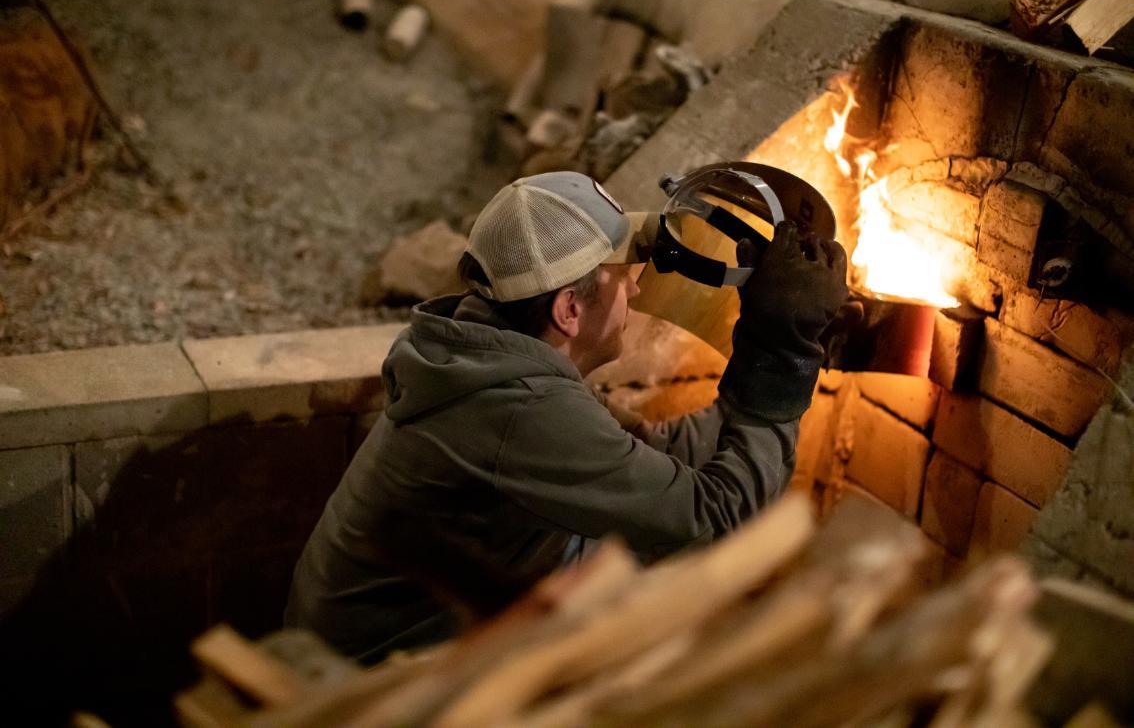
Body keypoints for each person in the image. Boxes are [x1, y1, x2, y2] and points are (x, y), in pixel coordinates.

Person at [284, 170, 848, 663]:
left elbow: (659, 458)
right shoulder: (520, 409)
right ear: (569, 310)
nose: (634, 284)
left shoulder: (489, 354)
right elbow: (718, 525)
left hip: (377, 644)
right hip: (378, 689)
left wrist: (760, 357)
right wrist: (783, 358)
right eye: (623, 272)